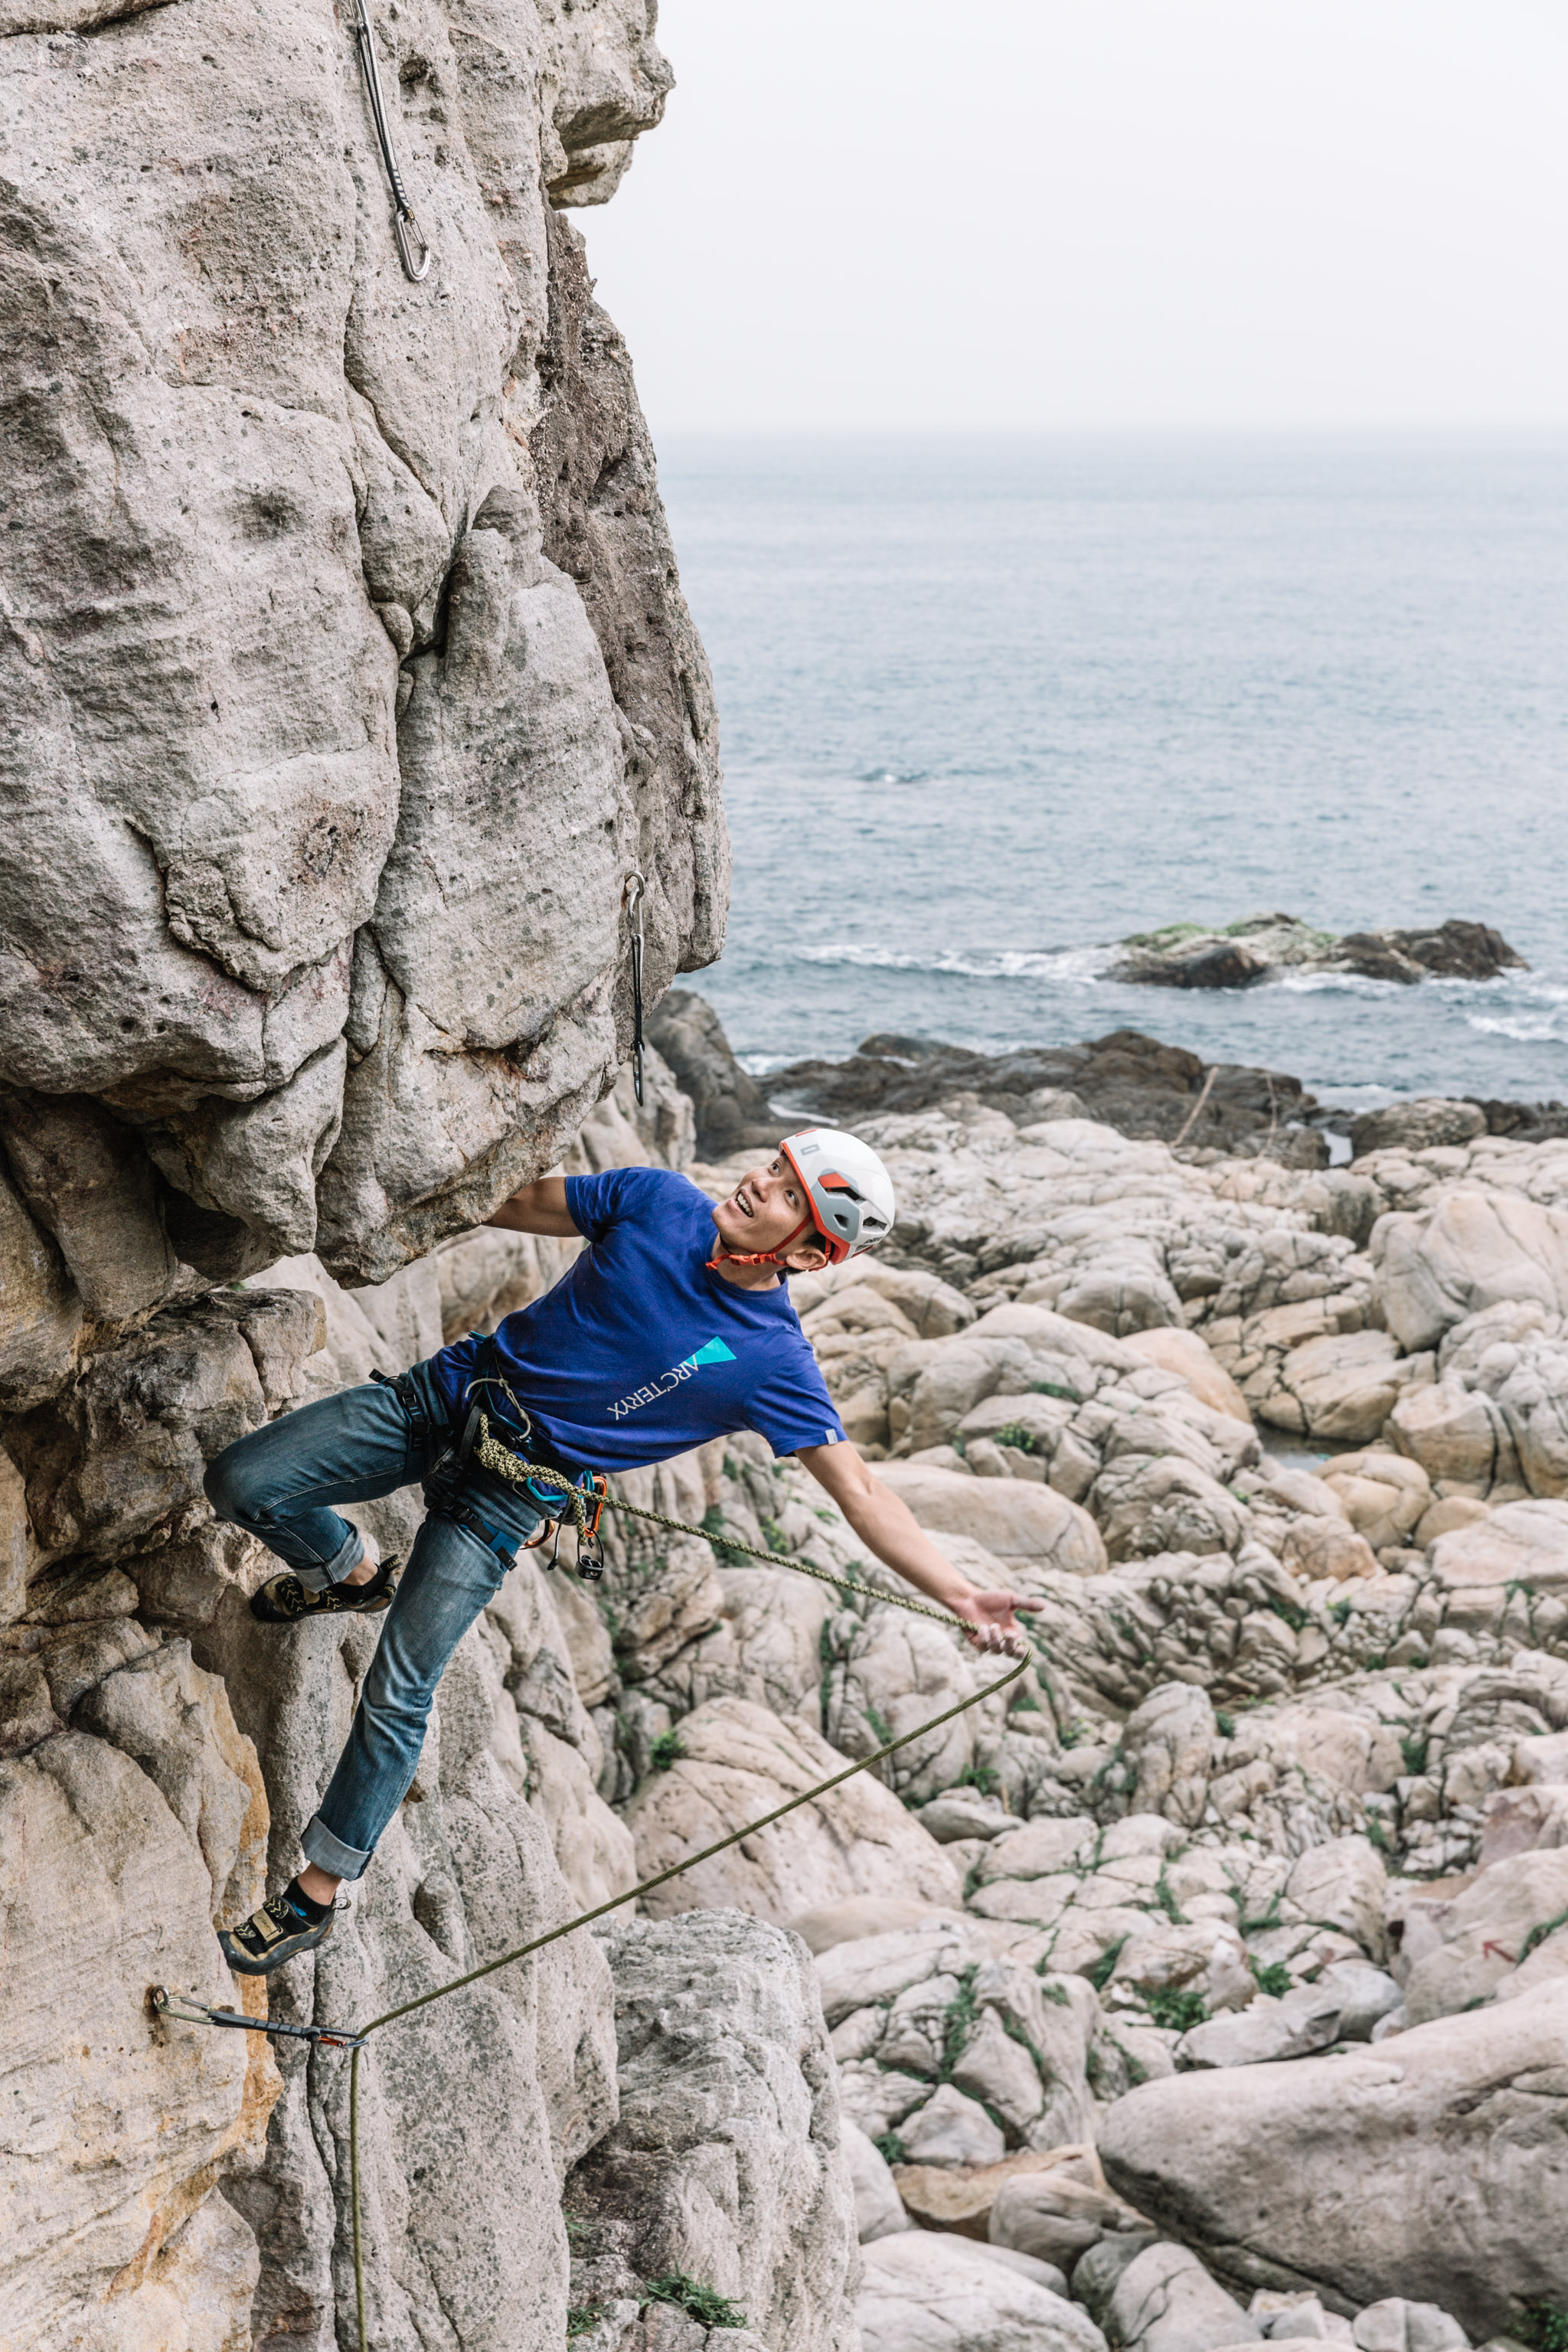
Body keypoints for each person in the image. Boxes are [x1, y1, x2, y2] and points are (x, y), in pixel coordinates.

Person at [205, 1128, 1038, 1975]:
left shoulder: (770, 1361)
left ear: (813, 1251)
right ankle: (343, 1572)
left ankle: (314, 1895)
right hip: (449, 1394)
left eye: (788, 1194)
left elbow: (861, 1492)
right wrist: (363, 1181)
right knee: (242, 1481)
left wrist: (959, 1594)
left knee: (400, 1687)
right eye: (773, 1168)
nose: (758, 1183)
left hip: (511, 1492)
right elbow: (517, 1199)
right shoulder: (658, 1202)